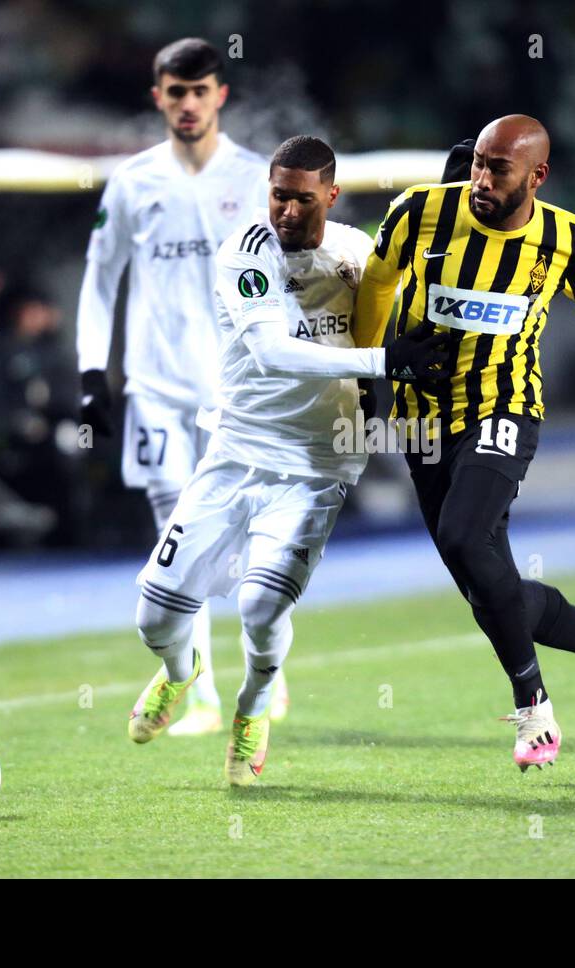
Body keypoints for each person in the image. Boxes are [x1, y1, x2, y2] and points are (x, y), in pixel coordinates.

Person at [353, 115, 575, 772]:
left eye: (498, 168)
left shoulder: (564, 238)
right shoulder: (420, 213)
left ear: (537, 176)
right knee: (492, 590)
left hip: (503, 407)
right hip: (423, 419)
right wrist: (374, 365)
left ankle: (533, 706)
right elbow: (375, 280)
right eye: (477, 162)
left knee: (462, 538)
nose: (481, 178)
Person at [128, 136, 447, 785]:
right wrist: (384, 362)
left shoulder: (358, 253)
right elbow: (275, 352)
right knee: (155, 615)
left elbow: (409, 308)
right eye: (279, 195)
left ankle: (250, 712)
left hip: (321, 463)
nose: (288, 211)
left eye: (304, 198)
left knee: (261, 607)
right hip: (236, 449)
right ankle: (178, 672)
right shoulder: (246, 253)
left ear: (330, 195)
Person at [76, 37, 276, 734]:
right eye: (175, 91)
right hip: (156, 388)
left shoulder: (255, 180)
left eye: (200, 91)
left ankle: (265, 663)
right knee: (177, 539)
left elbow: (283, 279)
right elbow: (100, 282)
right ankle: (199, 693)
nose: (188, 104)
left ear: (219, 95)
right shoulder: (133, 182)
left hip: (237, 391)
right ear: (157, 95)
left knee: (247, 544)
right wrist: (89, 370)